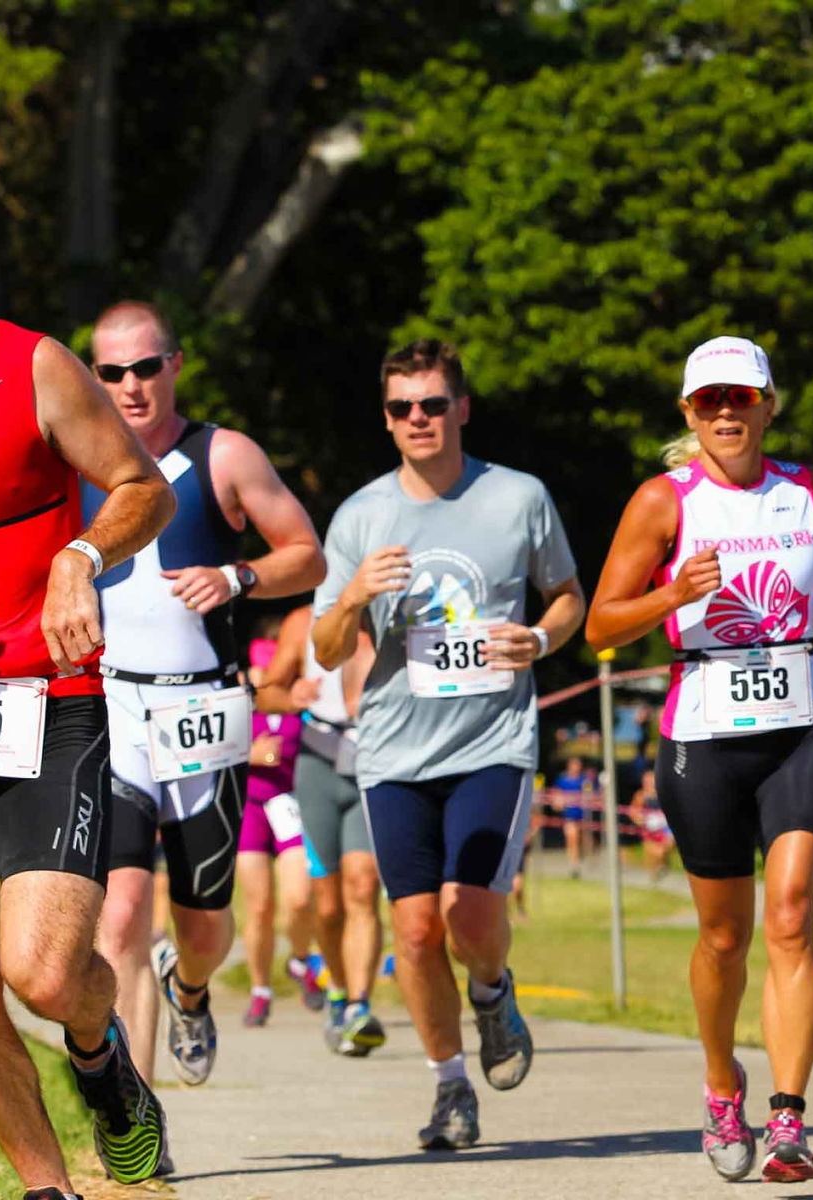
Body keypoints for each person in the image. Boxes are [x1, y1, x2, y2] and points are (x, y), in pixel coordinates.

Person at [588, 335, 813, 1183]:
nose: (725, 413)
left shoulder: (812, 489)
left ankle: (787, 1119)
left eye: (741, 398)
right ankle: (721, 1084)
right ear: (687, 413)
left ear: (768, 406)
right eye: (709, 400)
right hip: (702, 732)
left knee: (790, 914)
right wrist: (673, 593)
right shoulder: (662, 504)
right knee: (724, 935)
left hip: (801, 721)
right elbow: (601, 625)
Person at [311, 338, 584, 1150]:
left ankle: (494, 991)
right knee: (417, 932)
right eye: (403, 407)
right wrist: (355, 593)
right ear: (387, 419)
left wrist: (537, 638)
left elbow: (568, 596)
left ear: (461, 407)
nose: (419, 419)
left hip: (493, 741)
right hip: (394, 751)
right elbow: (325, 649)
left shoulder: (518, 497)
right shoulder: (361, 515)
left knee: (468, 911)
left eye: (433, 403)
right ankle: (450, 1087)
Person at [0, 240, 177, 1196]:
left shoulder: (33, 365)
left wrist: (80, 554)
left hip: (48, 703)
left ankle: (100, 1055)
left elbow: (145, 487)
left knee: (42, 975)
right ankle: (50, 1188)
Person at [83, 300, 326, 1095]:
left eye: (146, 367)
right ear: (93, 377)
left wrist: (238, 576)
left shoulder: (223, 454)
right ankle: (137, 1117)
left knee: (202, 920)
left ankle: (190, 989)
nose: (130, 386)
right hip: (111, 704)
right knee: (120, 909)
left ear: (175, 366)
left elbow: (309, 557)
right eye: (111, 371)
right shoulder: (72, 460)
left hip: (204, 710)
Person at [256, 603, 387, 1055]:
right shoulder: (301, 622)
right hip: (318, 765)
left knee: (363, 886)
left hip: (375, 763)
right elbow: (266, 692)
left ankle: (359, 1005)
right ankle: (337, 991)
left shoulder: (393, 616)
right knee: (327, 907)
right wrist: (291, 696)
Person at [237, 616, 317, 1028]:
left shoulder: (302, 700)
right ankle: (260, 988)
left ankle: (300, 960)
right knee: (260, 906)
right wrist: (248, 754)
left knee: (300, 898)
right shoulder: (236, 699)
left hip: (288, 802)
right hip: (250, 805)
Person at [629, 767, 673, 881]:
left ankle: (662, 867)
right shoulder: (640, 795)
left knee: (663, 851)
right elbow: (632, 812)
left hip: (665, 829)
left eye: (651, 780)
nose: (649, 783)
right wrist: (638, 819)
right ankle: (654, 876)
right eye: (647, 781)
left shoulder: (664, 793)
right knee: (655, 854)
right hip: (649, 831)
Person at [553, 755, 588, 877]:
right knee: (572, 839)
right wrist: (559, 802)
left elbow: (592, 796)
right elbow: (555, 799)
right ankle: (574, 866)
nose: (576, 767)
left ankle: (579, 859)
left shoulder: (584, 780)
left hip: (582, 817)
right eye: (574, 764)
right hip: (569, 817)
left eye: (578, 765)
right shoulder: (562, 780)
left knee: (580, 840)